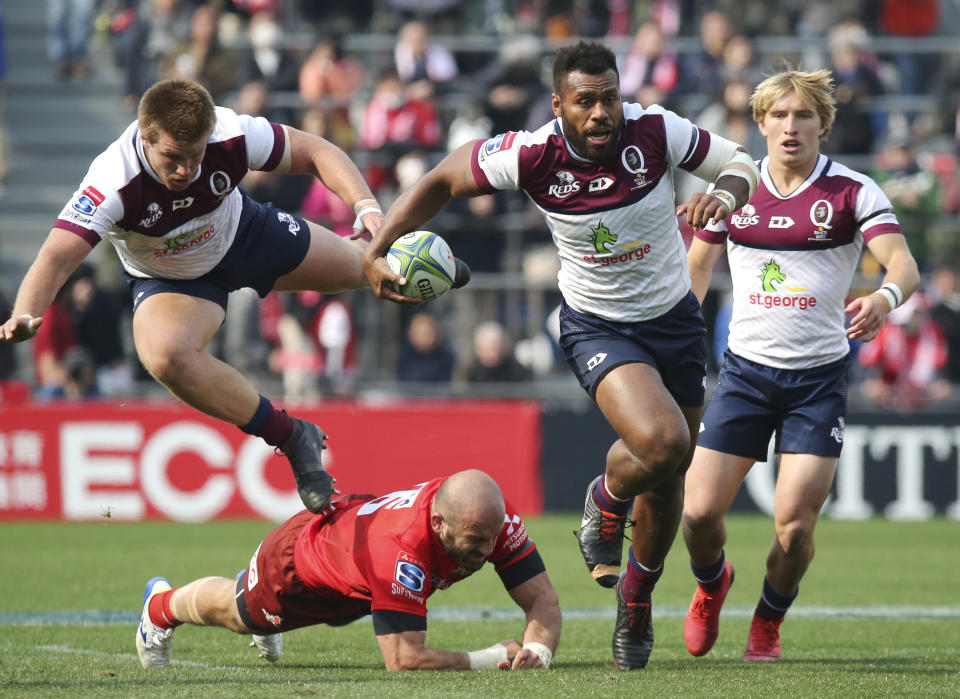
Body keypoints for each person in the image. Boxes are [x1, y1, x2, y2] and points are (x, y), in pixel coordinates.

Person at [362, 41, 760, 671]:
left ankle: (636, 598)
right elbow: (439, 177)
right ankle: (604, 499)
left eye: (609, 97)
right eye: (586, 101)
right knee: (663, 442)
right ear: (559, 104)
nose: (601, 112)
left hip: (675, 319)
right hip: (598, 326)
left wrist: (728, 194)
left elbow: (742, 163)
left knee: (668, 477)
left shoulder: (655, 129)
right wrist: (375, 248)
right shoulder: (531, 153)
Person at [0, 78, 388, 515]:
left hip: (246, 234)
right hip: (172, 281)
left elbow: (318, 150)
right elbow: (56, 256)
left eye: (195, 156)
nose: (186, 170)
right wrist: (25, 313)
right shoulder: (111, 180)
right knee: (164, 356)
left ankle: (429, 262)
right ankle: (291, 436)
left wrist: (367, 207)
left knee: (372, 270)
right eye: (172, 157)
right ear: (145, 137)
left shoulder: (229, 131)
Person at [681, 69, 920, 663]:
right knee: (698, 512)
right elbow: (700, 265)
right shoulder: (734, 189)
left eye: (804, 115)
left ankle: (767, 621)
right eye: (779, 116)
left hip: (817, 381)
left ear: (823, 124)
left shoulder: (853, 191)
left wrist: (883, 299)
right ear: (759, 123)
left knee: (794, 529)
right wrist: (682, 327)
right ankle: (712, 586)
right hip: (745, 373)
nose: (791, 127)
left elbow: (904, 267)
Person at [135, 469, 561, 671]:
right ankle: (160, 607)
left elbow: (541, 597)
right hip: (300, 566)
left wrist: (537, 653)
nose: (488, 551)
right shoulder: (401, 553)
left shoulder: (487, 517)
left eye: (491, 538)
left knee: (346, 613)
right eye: (475, 542)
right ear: (438, 524)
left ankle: (269, 625)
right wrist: (492, 658)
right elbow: (403, 660)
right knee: (241, 615)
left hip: (354, 565)